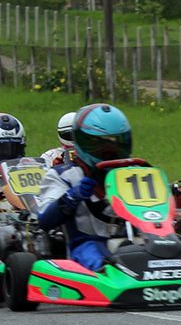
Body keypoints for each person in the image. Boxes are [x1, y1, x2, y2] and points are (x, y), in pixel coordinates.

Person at [36, 103, 132, 271]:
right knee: (92, 252)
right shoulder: (63, 175)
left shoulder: (133, 172)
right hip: (86, 245)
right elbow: (44, 220)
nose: (110, 151)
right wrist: (72, 196)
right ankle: (107, 274)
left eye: (117, 144)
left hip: (134, 241)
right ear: (83, 142)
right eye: (101, 145)